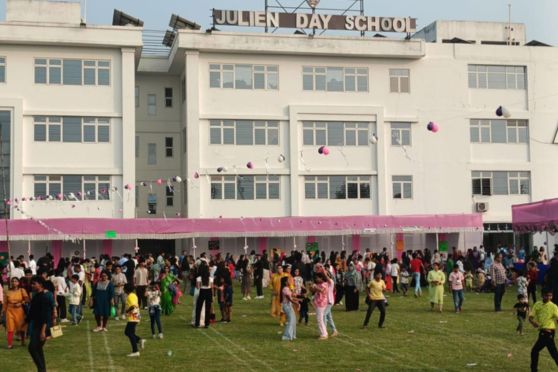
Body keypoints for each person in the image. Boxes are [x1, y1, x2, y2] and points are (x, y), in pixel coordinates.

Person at [529, 288, 558, 372]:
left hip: (548, 332)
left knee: (535, 351)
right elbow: (531, 317)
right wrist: (533, 322)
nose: (549, 297)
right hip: (542, 332)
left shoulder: (554, 306)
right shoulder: (537, 304)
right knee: (553, 353)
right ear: (542, 295)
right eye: (547, 295)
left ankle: (533, 370)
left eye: (550, 296)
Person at [28, 275, 53, 372]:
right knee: (37, 348)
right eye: (32, 284)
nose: (32, 285)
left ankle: (41, 369)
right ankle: (42, 370)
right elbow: (32, 313)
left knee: (32, 348)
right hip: (36, 325)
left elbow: (46, 315)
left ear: (41, 285)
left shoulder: (45, 297)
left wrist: (43, 331)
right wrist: (25, 323)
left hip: (43, 326)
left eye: (34, 284)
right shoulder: (36, 296)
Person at [2, 277, 29, 349]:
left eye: (15, 281)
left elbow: (27, 299)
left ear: (18, 283)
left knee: (21, 326)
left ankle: (23, 341)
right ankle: (9, 344)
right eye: (13, 281)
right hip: (10, 311)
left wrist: (21, 303)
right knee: (10, 327)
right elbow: (5, 303)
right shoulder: (8, 292)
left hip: (19, 310)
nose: (14, 283)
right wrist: (3, 312)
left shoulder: (22, 290)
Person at [124, 283, 144, 357]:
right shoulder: (134, 295)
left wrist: (127, 311)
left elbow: (133, 306)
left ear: (126, 289)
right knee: (128, 332)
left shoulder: (130, 296)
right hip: (135, 316)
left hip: (133, 317)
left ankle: (135, 351)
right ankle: (139, 340)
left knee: (129, 333)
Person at [195, 261, 213, 328]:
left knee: (198, 308)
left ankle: (197, 323)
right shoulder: (210, 278)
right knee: (208, 309)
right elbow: (212, 287)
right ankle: (207, 324)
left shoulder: (199, 278)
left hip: (202, 291)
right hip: (209, 292)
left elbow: (197, 287)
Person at [311, 272, 329, 340]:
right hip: (318, 302)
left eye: (317, 278)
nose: (316, 279)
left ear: (321, 278)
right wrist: (312, 287)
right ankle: (323, 332)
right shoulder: (319, 284)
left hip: (322, 303)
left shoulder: (325, 284)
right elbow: (314, 291)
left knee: (320, 319)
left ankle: (324, 334)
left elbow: (322, 290)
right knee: (319, 318)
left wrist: (315, 286)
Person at [280, 276, 299, 341]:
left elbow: (291, 297)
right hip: (287, 306)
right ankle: (286, 336)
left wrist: (298, 299)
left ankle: (292, 335)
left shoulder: (287, 288)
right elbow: (289, 298)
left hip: (289, 305)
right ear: (285, 282)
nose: (289, 281)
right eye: (288, 280)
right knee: (291, 320)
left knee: (293, 320)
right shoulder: (285, 289)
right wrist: (296, 303)